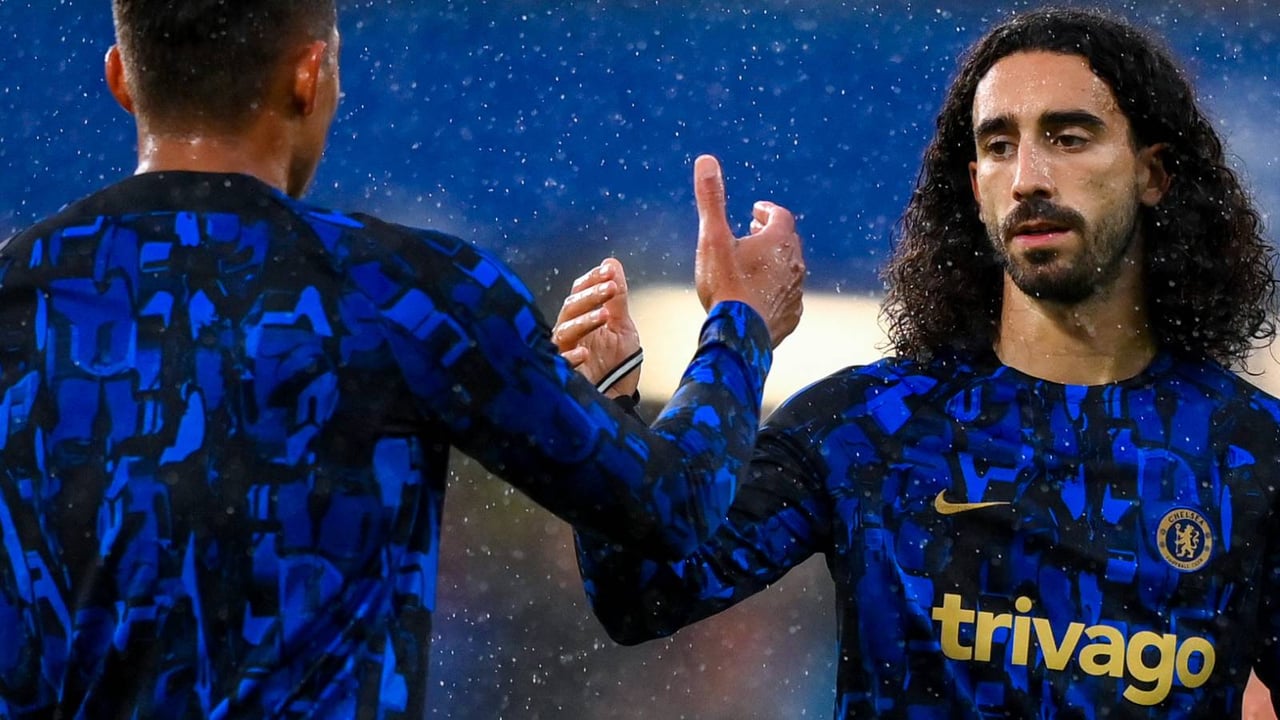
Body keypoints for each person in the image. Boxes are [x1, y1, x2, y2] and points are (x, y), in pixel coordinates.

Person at [0, 1, 807, 717]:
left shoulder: (16, 296)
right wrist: (740, 326)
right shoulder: (405, 293)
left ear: (121, 79)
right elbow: (674, 506)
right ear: (309, 77)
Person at [554, 6, 1280, 717]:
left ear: (1154, 174)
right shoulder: (870, 426)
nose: (1028, 177)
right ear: (975, 184)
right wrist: (717, 346)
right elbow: (643, 593)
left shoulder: (1253, 456)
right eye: (999, 145)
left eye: (1068, 138)